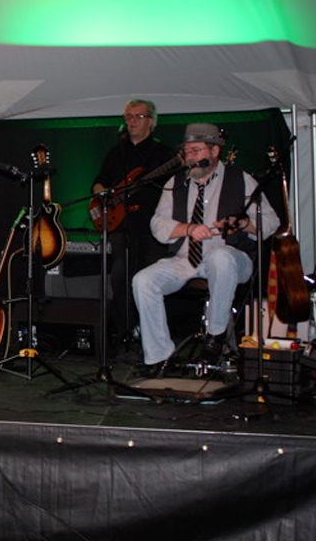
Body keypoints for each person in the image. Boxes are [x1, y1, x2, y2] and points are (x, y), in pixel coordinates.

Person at [132, 123, 279, 371]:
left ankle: (215, 335)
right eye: (188, 152)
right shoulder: (175, 182)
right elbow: (158, 224)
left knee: (220, 257)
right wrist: (188, 229)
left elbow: (271, 222)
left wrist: (243, 223)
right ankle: (160, 356)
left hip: (232, 259)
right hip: (185, 259)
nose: (190, 157)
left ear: (214, 151)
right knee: (143, 281)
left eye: (196, 151)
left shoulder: (241, 180)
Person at [91, 100, 176, 345]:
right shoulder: (117, 152)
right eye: (128, 117)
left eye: (138, 116)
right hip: (121, 228)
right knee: (120, 279)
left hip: (151, 228)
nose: (132, 121)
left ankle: (154, 335)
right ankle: (125, 332)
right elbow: (98, 181)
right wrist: (105, 195)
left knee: (152, 279)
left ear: (151, 121)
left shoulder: (164, 154)